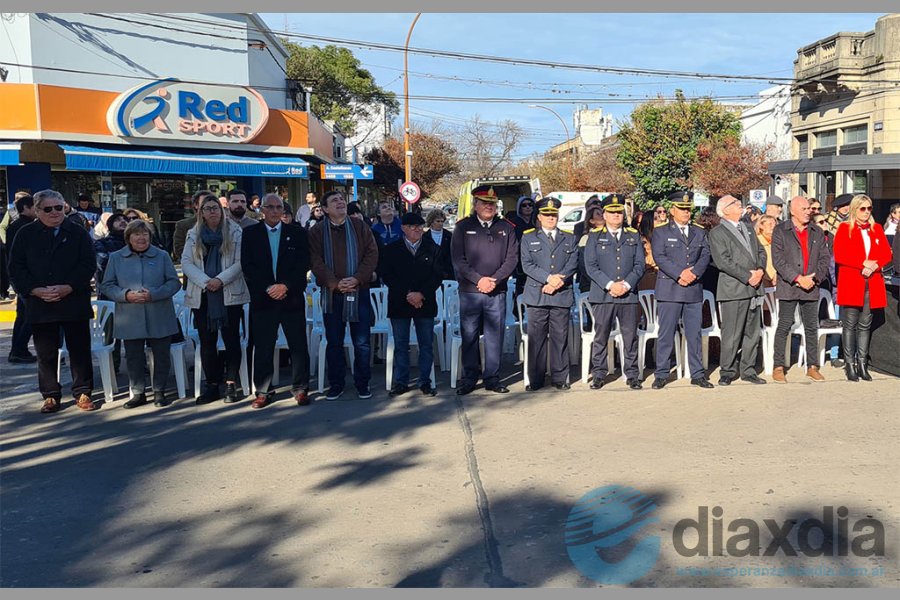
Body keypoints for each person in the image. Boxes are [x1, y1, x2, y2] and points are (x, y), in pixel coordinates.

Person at [9, 190, 98, 413]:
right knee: (46, 352)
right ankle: (50, 395)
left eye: (59, 207)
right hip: (41, 302)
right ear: (37, 211)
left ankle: (83, 391)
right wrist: (34, 290)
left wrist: (69, 286)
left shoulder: (77, 232)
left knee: (79, 350)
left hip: (73, 299)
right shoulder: (25, 234)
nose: (55, 212)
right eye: (48, 209)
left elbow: (87, 264)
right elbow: (16, 267)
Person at [100, 220, 181, 408]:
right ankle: (138, 392)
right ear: (128, 237)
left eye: (145, 234)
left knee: (161, 354)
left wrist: (154, 294)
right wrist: (125, 295)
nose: (141, 238)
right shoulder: (116, 257)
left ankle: (159, 390)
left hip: (159, 312)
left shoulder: (161, 256)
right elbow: (107, 285)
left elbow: (174, 283)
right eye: (137, 234)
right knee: (133, 356)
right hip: (130, 314)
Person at [241, 193, 311, 408]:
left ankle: (300, 388)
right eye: (269, 207)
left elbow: (303, 263)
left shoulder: (297, 233)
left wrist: (286, 286)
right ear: (262, 209)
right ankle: (263, 390)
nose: (273, 211)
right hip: (264, 299)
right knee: (263, 345)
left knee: (297, 344)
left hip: (291, 298)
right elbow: (248, 266)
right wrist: (268, 287)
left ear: (283, 210)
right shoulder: (251, 233)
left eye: (278, 207)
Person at [309, 191, 379, 401]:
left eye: (342, 199)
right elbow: (315, 260)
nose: (340, 202)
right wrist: (334, 283)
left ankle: (362, 383)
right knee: (334, 341)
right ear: (325, 209)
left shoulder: (359, 226)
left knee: (362, 342)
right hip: (332, 294)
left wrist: (357, 278)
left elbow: (372, 254)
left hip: (359, 290)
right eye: (334, 201)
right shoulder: (317, 231)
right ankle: (336, 384)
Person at [182, 194, 250, 405]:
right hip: (203, 296)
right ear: (200, 212)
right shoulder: (193, 234)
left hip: (229, 294)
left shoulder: (235, 232)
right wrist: (206, 281)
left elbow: (240, 263)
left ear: (222, 211)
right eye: (207, 208)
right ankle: (212, 384)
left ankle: (230, 383)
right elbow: (186, 263)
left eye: (215, 208)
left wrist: (219, 280)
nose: (212, 211)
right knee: (207, 342)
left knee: (231, 340)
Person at [450, 186, 519, 395]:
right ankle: (470, 377)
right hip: (471, 292)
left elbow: (512, 259)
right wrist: (479, 280)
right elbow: (458, 260)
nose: (488, 206)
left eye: (492, 203)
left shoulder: (506, 228)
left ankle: (492, 377)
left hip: (496, 292)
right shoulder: (463, 227)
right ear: (475, 205)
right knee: (469, 335)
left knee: (494, 335)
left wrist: (495, 280)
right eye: (484, 203)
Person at [651, 191, 713, 389]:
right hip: (670, 288)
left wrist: (693, 274)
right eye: (682, 209)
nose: (686, 212)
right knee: (666, 333)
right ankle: (661, 373)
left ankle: (697, 373)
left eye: (688, 209)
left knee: (694, 333)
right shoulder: (661, 232)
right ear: (672, 210)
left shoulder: (699, 231)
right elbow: (659, 257)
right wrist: (680, 274)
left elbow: (705, 255)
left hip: (693, 288)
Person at [583, 194, 645, 390]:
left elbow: (639, 265)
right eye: (612, 212)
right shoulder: (594, 236)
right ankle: (599, 374)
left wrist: (626, 285)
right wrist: (611, 285)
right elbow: (591, 266)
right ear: (605, 214)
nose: (616, 215)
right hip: (603, 295)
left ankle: (632, 374)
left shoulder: (633, 235)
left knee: (630, 337)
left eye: (619, 212)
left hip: (628, 295)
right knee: (601, 336)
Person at [708, 195, 768, 386]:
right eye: (735, 203)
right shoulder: (717, 233)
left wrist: (760, 270)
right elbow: (723, 261)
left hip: (754, 288)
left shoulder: (748, 227)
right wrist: (747, 275)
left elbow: (761, 252)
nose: (739, 204)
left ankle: (748, 369)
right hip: (734, 289)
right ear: (725, 210)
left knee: (752, 331)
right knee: (732, 333)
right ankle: (727, 370)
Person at [519, 197, 579, 391]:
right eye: (547, 215)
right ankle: (535, 379)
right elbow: (527, 265)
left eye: (554, 215)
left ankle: (560, 377)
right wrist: (548, 278)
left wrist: (557, 281)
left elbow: (573, 263)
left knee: (560, 337)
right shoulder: (528, 237)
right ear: (539, 217)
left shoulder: (569, 237)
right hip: (537, 294)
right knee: (536, 339)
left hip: (560, 293)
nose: (551, 218)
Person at [380, 212, 442, 396]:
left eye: (420, 226)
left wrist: (421, 294)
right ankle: (401, 381)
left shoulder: (433, 248)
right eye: (413, 227)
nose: (417, 230)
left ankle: (425, 381)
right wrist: (408, 294)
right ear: (404, 229)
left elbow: (437, 275)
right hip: (400, 302)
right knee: (401, 344)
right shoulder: (392, 249)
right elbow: (388, 275)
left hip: (425, 302)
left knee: (426, 344)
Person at [770, 196, 831, 383]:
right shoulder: (781, 230)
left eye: (809, 208)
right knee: (785, 324)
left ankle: (813, 366)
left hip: (811, 285)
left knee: (811, 326)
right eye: (804, 208)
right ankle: (778, 366)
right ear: (793, 211)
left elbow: (824, 258)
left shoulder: (817, 232)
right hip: (790, 285)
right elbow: (778, 260)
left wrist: (815, 278)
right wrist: (797, 278)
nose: (808, 211)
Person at [833, 194, 893, 382]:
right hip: (852, 281)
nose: (866, 212)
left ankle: (862, 363)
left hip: (872, 281)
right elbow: (840, 254)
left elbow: (885, 253)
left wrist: (875, 265)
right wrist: (862, 263)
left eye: (869, 208)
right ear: (854, 209)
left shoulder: (875, 228)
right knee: (850, 324)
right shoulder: (844, 228)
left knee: (865, 325)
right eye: (863, 208)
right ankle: (850, 364)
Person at [6, 192, 37, 364]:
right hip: (24, 279)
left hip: (19, 278)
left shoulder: (17, 225)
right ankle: (19, 349)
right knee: (31, 314)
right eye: (36, 207)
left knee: (23, 314)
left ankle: (18, 350)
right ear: (25, 208)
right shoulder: (23, 227)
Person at [507, 196, 537, 303]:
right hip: (519, 260)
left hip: (536, 259)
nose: (528, 207)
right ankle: (518, 309)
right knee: (520, 286)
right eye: (524, 205)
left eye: (530, 205)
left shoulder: (537, 222)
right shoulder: (513, 223)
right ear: (519, 208)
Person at [173, 190, 211, 263]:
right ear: (196, 205)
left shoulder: (222, 225)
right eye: (204, 202)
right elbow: (179, 249)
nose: (208, 204)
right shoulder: (183, 225)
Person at [576, 204, 606, 294]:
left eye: (602, 213)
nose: (601, 215)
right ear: (592, 221)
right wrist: (602, 283)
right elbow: (584, 266)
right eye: (598, 214)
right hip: (591, 286)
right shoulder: (586, 239)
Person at [425, 208, 454, 280]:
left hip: (447, 274)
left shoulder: (449, 236)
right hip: (429, 274)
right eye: (438, 221)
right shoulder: (424, 237)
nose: (440, 223)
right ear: (431, 222)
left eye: (442, 221)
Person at [636, 209, 659, 291]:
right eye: (656, 218)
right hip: (646, 280)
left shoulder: (662, 238)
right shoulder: (641, 241)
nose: (659, 220)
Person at [755, 215, 778, 289]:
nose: (773, 227)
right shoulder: (756, 241)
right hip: (763, 280)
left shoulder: (778, 241)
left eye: (775, 224)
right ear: (761, 226)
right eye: (770, 224)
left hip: (778, 278)